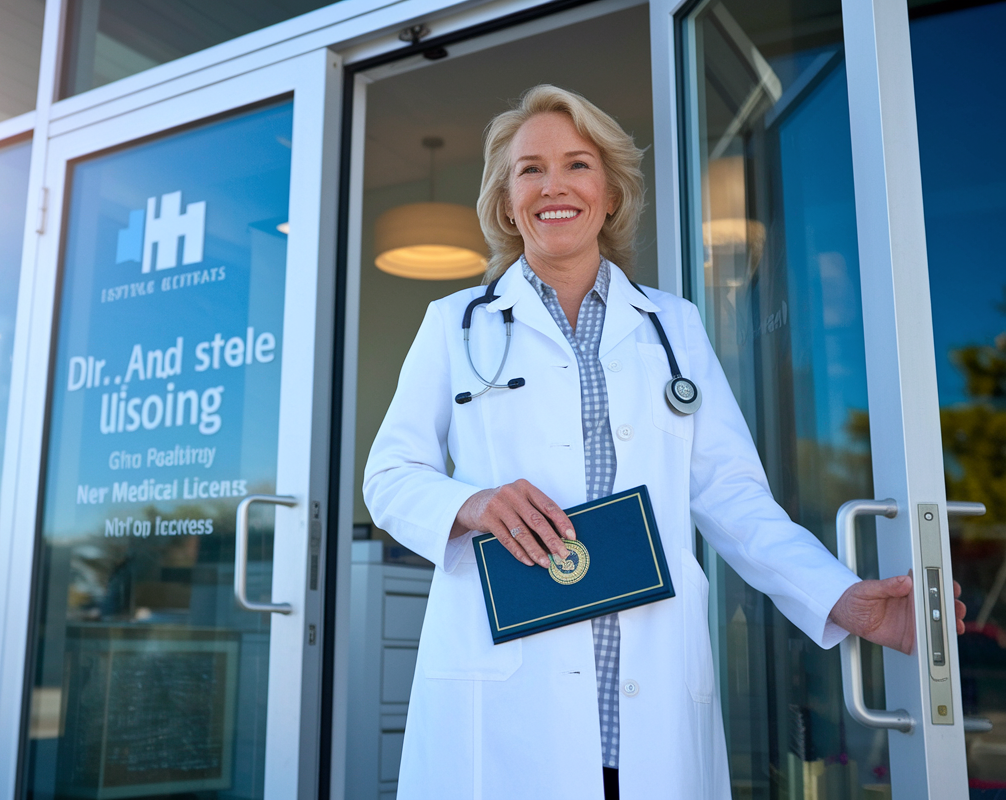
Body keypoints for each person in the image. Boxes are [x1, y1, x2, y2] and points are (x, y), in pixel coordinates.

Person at [362, 84, 965, 800]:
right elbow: (390, 476)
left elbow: (733, 498)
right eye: (529, 169)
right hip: (507, 696)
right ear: (505, 199)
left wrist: (842, 598)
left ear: (611, 193)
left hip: (646, 695)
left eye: (578, 165)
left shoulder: (672, 327)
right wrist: (472, 503)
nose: (553, 185)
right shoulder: (453, 323)